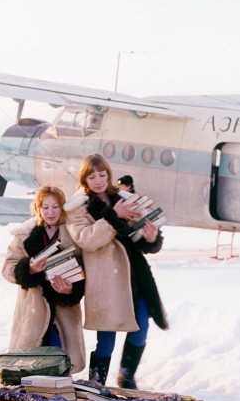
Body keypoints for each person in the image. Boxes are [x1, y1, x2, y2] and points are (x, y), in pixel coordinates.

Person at [65, 154, 168, 388]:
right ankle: (97, 384)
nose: (99, 180)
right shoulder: (78, 208)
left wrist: (151, 238)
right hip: (105, 281)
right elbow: (86, 240)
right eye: (92, 176)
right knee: (106, 340)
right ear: (84, 179)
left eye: (102, 175)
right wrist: (113, 216)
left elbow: (136, 237)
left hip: (134, 276)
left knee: (141, 328)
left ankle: (127, 376)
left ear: (109, 175)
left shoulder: (124, 199)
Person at [2, 185, 86, 374]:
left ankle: (59, 398)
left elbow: (85, 271)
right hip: (34, 309)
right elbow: (7, 268)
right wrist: (29, 269)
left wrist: (71, 290)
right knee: (33, 364)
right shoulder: (23, 234)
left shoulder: (73, 234)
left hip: (63, 309)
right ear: (38, 208)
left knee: (61, 362)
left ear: (62, 207)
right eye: (45, 207)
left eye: (55, 207)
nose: (50, 212)